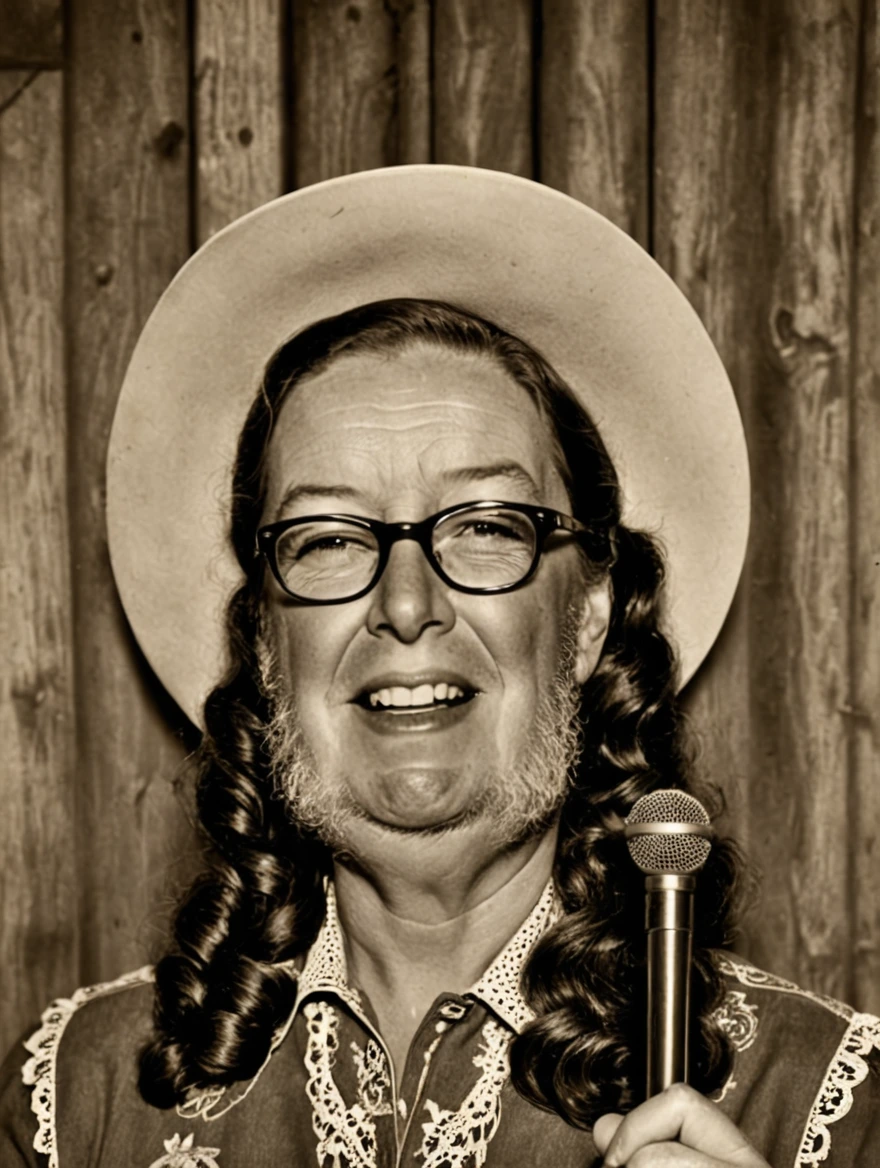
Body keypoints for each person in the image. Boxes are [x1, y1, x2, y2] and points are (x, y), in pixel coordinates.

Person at [1, 167, 877, 1168]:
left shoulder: (818, 1105)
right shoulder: (82, 1099)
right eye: (328, 538)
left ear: (586, 614)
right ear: (263, 643)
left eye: (486, 526)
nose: (407, 604)